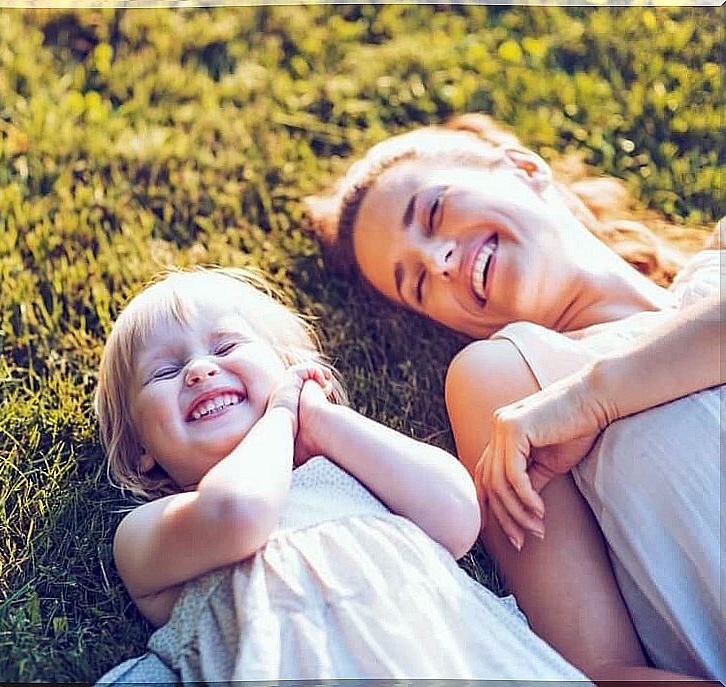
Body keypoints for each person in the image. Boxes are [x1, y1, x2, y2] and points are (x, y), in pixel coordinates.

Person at [304, 113, 722, 680]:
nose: (438, 260)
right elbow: (603, 670)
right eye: (419, 284)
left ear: (524, 169)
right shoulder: (509, 382)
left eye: (433, 212)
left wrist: (594, 399)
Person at [92, 267, 588, 682]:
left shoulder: (350, 469)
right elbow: (239, 512)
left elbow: (458, 516)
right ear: (142, 452)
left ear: (288, 370)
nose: (199, 371)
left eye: (225, 348)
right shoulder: (152, 528)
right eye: (163, 372)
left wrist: (321, 418)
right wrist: (280, 419)